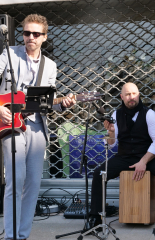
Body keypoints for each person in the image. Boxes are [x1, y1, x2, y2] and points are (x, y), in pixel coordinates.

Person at [0, 14, 76, 240]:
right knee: (16, 178)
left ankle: (22, 235)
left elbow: (46, 103)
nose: (30, 37)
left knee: (33, 183)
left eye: (36, 34)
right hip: (10, 124)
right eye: (26, 33)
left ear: (45, 37)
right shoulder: (9, 54)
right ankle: (10, 236)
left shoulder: (50, 66)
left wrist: (65, 105)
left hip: (36, 127)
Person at [89, 82, 155, 236]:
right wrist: (111, 133)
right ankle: (95, 218)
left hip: (146, 156)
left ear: (139, 95)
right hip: (124, 157)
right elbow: (111, 145)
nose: (131, 97)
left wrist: (143, 161)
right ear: (122, 97)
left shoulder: (149, 114)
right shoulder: (115, 115)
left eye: (134, 94)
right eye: (127, 94)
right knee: (99, 174)